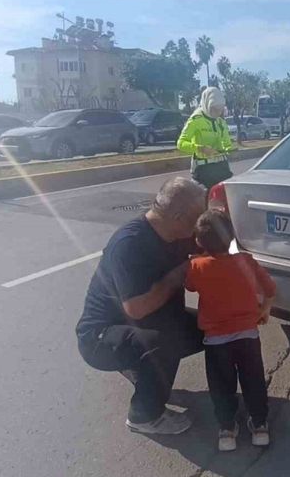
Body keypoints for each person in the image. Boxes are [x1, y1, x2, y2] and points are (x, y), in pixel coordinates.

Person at [76, 177, 207, 435]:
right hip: (102, 336)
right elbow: (136, 308)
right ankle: (144, 415)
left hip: (144, 322)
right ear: (178, 217)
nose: (200, 222)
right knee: (166, 342)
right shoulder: (129, 244)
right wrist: (177, 275)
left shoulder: (179, 233)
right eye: (198, 217)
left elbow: (211, 246)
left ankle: (145, 373)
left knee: (212, 326)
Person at [185, 209, 276, 452]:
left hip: (216, 340)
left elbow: (190, 286)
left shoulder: (196, 266)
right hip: (248, 335)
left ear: (198, 241)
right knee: (253, 380)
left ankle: (227, 429)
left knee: (221, 385)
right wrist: (264, 310)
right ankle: (259, 426)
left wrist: (198, 258)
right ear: (233, 237)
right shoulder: (246, 261)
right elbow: (270, 289)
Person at [177, 87, 234, 189]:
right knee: (203, 196)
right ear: (207, 104)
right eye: (214, 109)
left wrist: (229, 149)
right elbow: (181, 144)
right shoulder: (195, 119)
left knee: (229, 194)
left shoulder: (220, 122)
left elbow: (226, 143)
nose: (218, 112)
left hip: (222, 167)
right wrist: (200, 148)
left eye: (220, 109)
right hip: (203, 170)